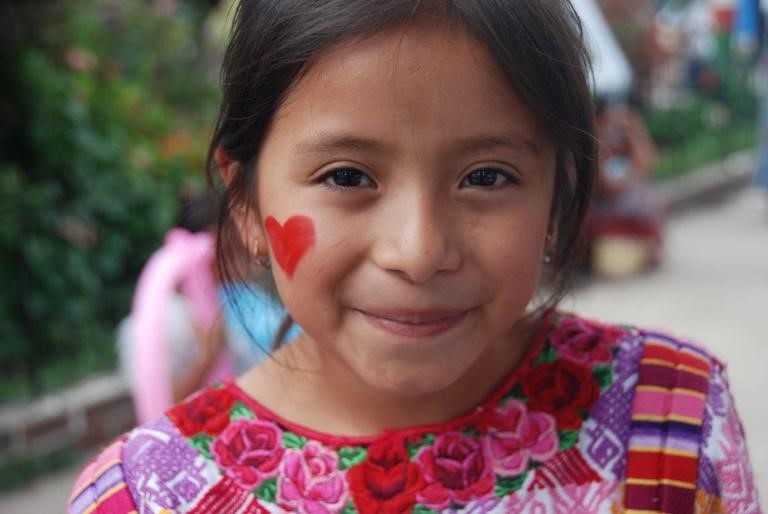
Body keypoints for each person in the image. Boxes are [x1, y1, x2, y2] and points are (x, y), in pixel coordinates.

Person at [68, 1, 760, 513]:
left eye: (487, 177)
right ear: (245, 203)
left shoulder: (668, 425)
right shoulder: (143, 497)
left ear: (557, 198)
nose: (419, 252)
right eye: (347, 177)